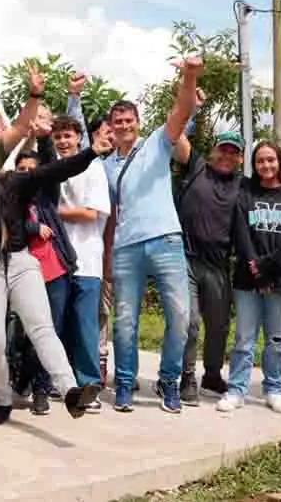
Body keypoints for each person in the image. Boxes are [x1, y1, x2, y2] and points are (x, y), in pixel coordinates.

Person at [0, 128, 112, 427]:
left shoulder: (10, 183)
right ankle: (2, 399)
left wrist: (91, 152)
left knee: (42, 329)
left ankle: (70, 391)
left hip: (21, 262)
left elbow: (54, 171)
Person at [103, 57, 202, 414]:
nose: (124, 126)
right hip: (127, 248)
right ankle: (125, 385)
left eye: (129, 120)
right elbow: (112, 214)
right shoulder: (106, 164)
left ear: (138, 122)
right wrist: (108, 255)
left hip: (166, 240)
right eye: (118, 122)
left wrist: (189, 74)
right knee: (125, 321)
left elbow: (183, 108)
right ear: (111, 128)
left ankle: (169, 381)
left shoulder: (157, 143)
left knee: (181, 316)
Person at [219, 142, 281, 414]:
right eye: (260, 161)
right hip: (248, 279)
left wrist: (268, 269)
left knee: (277, 339)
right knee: (244, 338)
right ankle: (236, 390)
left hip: (280, 280)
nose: (266, 166)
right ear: (254, 166)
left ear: (280, 161)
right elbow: (242, 235)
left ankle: (274, 389)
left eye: (271, 160)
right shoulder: (246, 194)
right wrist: (256, 269)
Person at [174, 129, 244, 405]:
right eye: (223, 149)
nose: (227, 155)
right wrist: (190, 104)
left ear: (239, 158)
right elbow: (177, 136)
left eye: (233, 152)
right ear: (214, 151)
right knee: (189, 322)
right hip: (186, 258)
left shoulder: (244, 185)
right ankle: (186, 376)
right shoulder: (197, 166)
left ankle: (212, 375)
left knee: (218, 325)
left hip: (219, 263)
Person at [48, 115, 111, 412]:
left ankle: (89, 386)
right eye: (57, 136)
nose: (63, 141)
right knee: (56, 323)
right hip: (55, 259)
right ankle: (59, 383)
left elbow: (91, 214)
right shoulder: (50, 171)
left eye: (68, 136)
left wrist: (52, 213)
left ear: (78, 138)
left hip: (86, 260)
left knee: (85, 325)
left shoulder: (94, 168)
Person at [12, 148, 78, 415]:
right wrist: (31, 228)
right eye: (22, 169)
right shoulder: (10, 199)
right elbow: (8, 226)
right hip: (27, 273)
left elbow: (52, 166)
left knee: (53, 332)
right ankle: (26, 379)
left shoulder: (47, 196)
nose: (28, 173)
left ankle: (40, 390)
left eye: (33, 169)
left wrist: (43, 136)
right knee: (31, 335)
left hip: (55, 271)